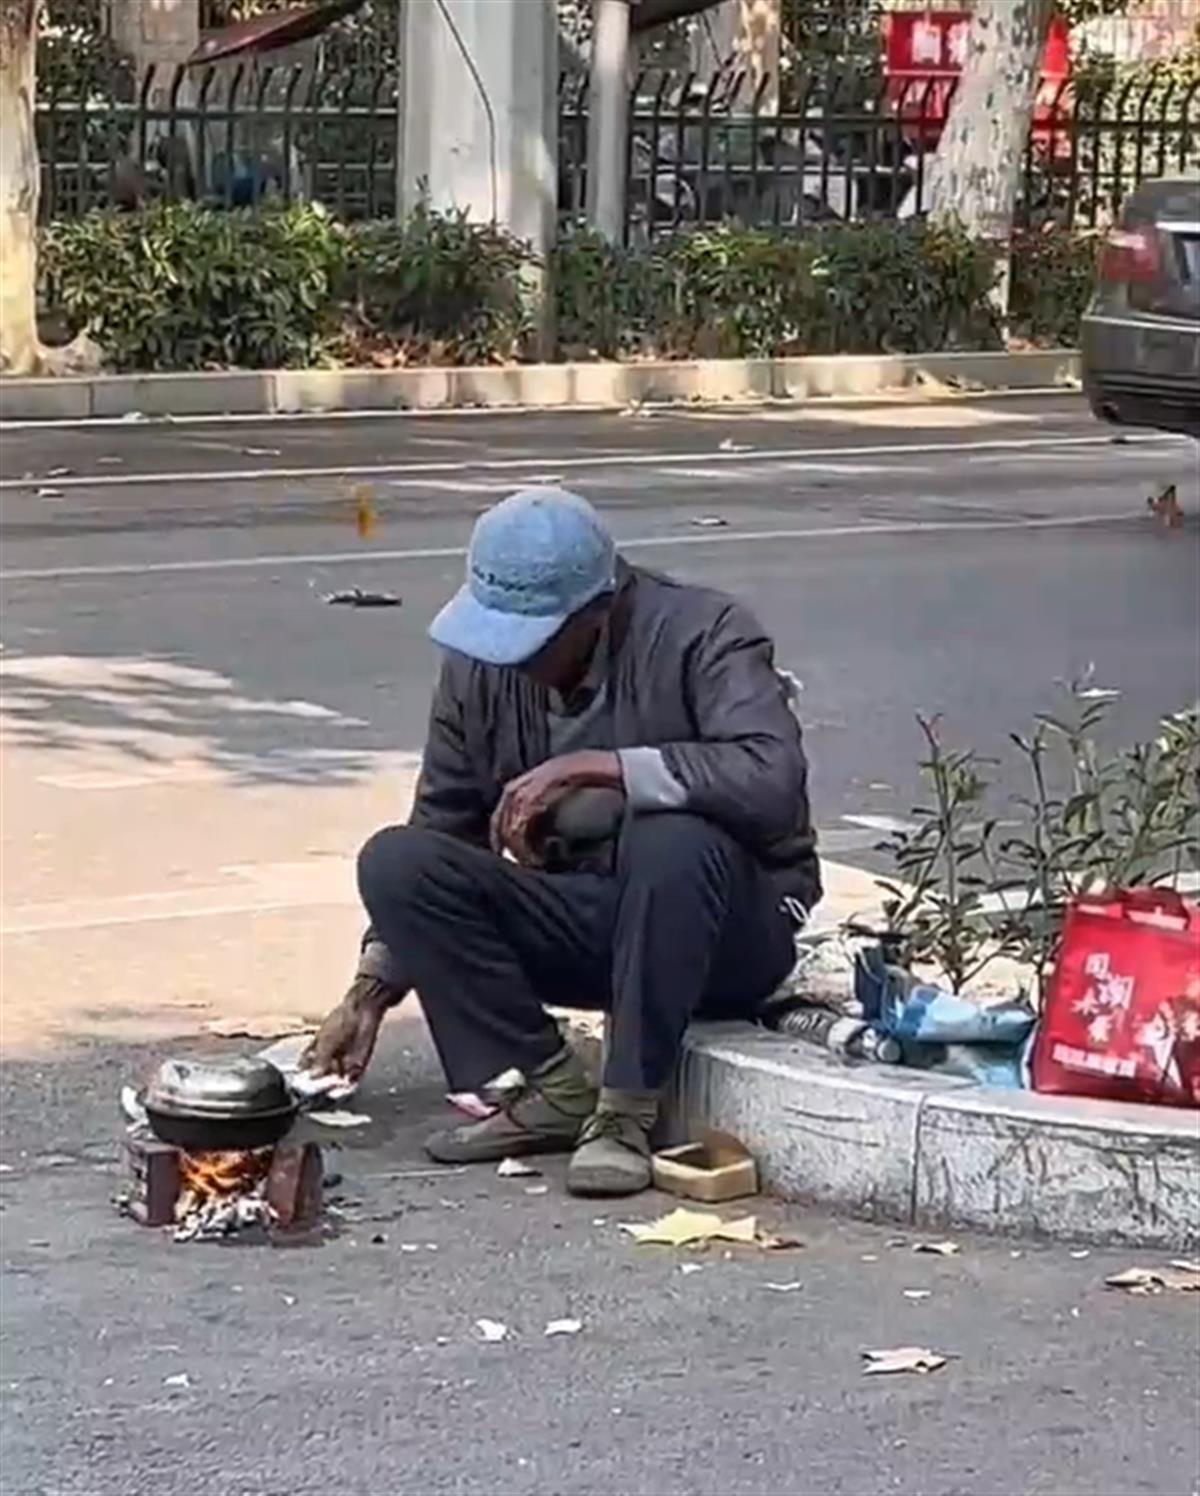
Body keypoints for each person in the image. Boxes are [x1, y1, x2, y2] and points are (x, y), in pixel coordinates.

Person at [307, 487, 820, 1196]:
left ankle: (626, 1112)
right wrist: (368, 993)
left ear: (599, 609)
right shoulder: (479, 668)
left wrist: (604, 767)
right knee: (397, 862)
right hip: (593, 922)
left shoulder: (705, 632)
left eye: (537, 638)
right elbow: (445, 821)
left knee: (670, 837)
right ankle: (550, 1087)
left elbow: (772, 776)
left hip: (725, 930)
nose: (515, 659)